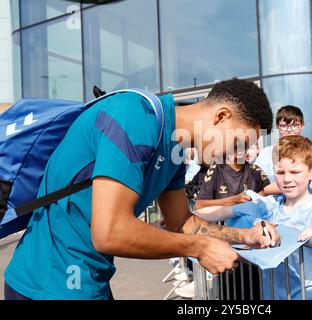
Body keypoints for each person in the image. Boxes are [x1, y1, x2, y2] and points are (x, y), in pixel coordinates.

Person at [3, 78, 280, 300]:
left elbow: (182, 222)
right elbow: (110, 232)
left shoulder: (175, 147)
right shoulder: (134, 116)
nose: (235, 153)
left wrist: (245, 235)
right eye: (238, 142)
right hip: (46, 285)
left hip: (87, 282)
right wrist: (201, 248)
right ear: (221, 116)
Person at [195, 135, 312, 300]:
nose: (287, 179)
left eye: (295, 172)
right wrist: (186, 219)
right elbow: (223, 212)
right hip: (272, 293)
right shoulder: (268, 205)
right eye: (280, 172)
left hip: (310, 295)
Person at [255, 106, 312, 207]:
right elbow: (258, 186)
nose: (289, 130)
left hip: (311, 211)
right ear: (278, 126)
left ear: (302, 126)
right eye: (284, 126)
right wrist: (298, 185)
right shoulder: (266, 154)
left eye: (295, 125)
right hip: (278, 213)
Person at [195, 147, 271, 210]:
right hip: (223, 226)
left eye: (244, 143)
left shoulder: (255, 170)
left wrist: (254, 199)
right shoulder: (216, 169)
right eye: (235, 143)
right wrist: (233, 200)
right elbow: (199, 205)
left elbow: (267, 194)